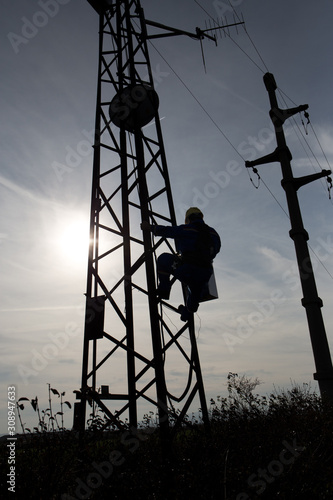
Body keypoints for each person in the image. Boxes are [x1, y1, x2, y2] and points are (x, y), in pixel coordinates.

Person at [141, 207, 221, 321]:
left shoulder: (188, 229)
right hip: (205, 273)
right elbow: (217, 249)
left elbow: (169, 231)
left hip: (187, 270)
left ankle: (164, 290)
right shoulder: (213, 233)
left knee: (163, 259)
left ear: (188, 219)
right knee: (194, 295)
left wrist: (150, 228)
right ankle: (186, 314)